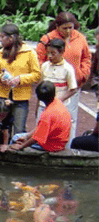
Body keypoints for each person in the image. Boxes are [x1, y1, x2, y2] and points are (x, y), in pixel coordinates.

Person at [36, 12, 91, 140]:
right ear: (57, 26)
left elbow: (87, 57)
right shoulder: (47, 39)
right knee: (44, 116)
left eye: (70, 27)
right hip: (51, 85)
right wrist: (46, 72)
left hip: (72, 85)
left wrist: (83, 73)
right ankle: (43, 141)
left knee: (69, 118)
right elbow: (39, 58)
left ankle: (67, 145)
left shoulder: (80, 38)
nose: (68, 31)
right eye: (64, 28)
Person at [0, 23, 41, 135]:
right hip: (2, 97)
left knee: (19, 129)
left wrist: (20, 79)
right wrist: (0, 79)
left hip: (21, 99)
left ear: (11, 38)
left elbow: (36, 74)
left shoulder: (29, 53)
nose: (0, 40)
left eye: (2, 37)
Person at [8, 81, 70, 152]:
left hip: (52, 146)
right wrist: (27, 137)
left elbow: (37, 138)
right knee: (22, 137)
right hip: (59, 141)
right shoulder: (57, 102)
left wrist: (21, 146)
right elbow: (41, 128)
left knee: (15, 138)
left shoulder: (47, 114)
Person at [37, 38, 77, 132]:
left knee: (55, 131)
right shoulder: (45, 66)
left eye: (53, 53)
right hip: (43, 106)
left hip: (59, 108)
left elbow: (73, 89)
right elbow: (41, 86)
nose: (50, 56)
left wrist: (58, 101)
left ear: (62, 52)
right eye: (48, 53)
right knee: (40, 130)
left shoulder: (68, 69)